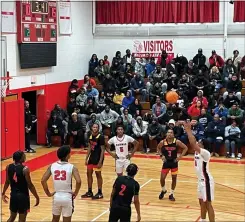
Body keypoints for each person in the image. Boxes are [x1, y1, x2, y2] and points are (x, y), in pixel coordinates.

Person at [183, 121, 215, 222]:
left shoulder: (205, 153)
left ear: (203, 146)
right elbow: (193, 141)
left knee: (208, 204)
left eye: (200, 143)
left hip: (206, 181)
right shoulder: (197, 151)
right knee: (201, 202)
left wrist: (188, 130)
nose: (198, 143)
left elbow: (192, 143)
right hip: (200, 181)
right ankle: (203, 220)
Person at [41, 146, 81, 222]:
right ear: (67, 155)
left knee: (55, 219)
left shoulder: (52, 166)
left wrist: (48, 193)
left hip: (56, 197)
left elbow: (43, 180)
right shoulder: (72, 167)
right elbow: (78, 181)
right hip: (67, 197)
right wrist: (75, 192)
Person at [2, 151, 39, 222]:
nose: (25, 157)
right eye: (24, 156)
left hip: (13, 196)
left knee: (11, 218)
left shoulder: (8, 167)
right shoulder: (25, 169)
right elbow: (30, 185)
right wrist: (36, 196)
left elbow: (7, 182)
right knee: (22, 220)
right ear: (21, 158)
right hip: (23, 197)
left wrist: (3, 193)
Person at [156, 129, 188, 201]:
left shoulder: (177, 141)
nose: (169, 134)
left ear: (173, 134)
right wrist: (161, 155)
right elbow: (158, 148)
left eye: (171, 133)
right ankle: (163, 190)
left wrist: (180, 157)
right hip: (166, 162)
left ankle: (171, 194)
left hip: (174, 162)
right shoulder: (163, 142)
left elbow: (185, 148)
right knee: (162, 179)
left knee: (174, 179)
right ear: (166, 134)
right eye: (168, 132)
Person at [81, 123, 105, 199]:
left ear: (98, 129)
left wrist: (100, 161)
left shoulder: (100, 137)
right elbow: (89, 148)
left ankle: (100, 192)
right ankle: (90, 191)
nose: (95, 128)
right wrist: (86, 158)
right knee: (88, 174)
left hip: (98, 158)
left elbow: (102, 150)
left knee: (98, 175)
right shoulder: (90, 136)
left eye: (96, 127)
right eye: (94, 127)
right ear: (91, 128)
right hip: (91, 158)